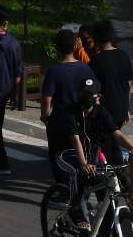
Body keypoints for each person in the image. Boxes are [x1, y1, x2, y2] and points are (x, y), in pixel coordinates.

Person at [49, 78, 133, 232]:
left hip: (91, 157)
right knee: (80, 172)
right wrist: (83, 163)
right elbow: (75, 140)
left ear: (98, 97)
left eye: (91, 95)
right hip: (68, 154)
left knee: (106, 194)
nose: (87, 98)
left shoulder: (101, 112)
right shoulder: (71, 112)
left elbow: (116, 133)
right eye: (84, 94)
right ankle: (74, 209)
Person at [41, 29, 91, 177]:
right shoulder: (85, 68)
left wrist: (44, 116)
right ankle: (76, 185)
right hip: (79, 119)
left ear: (56, 48)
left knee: (58, 155)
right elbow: (93, 94)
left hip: (59, 120)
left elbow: (46, 98)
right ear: (76, 46)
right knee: (77, 152)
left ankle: (62, 188)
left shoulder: (54, 71)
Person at [89, 20, 133, 153]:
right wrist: (127, 108)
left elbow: (93, 90)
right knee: (112, 140)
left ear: (96, 38)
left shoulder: (96, 61)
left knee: (106, 144)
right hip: (121, 109)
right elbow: (129, 84)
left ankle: (113, 170)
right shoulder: (124, 56)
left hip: (105, 111)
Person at [0, 5, 23, 175]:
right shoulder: (13, 44)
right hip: (5, 90)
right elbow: (18, 74)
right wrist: (15, 96)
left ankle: (1, 161)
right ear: (6, 23)